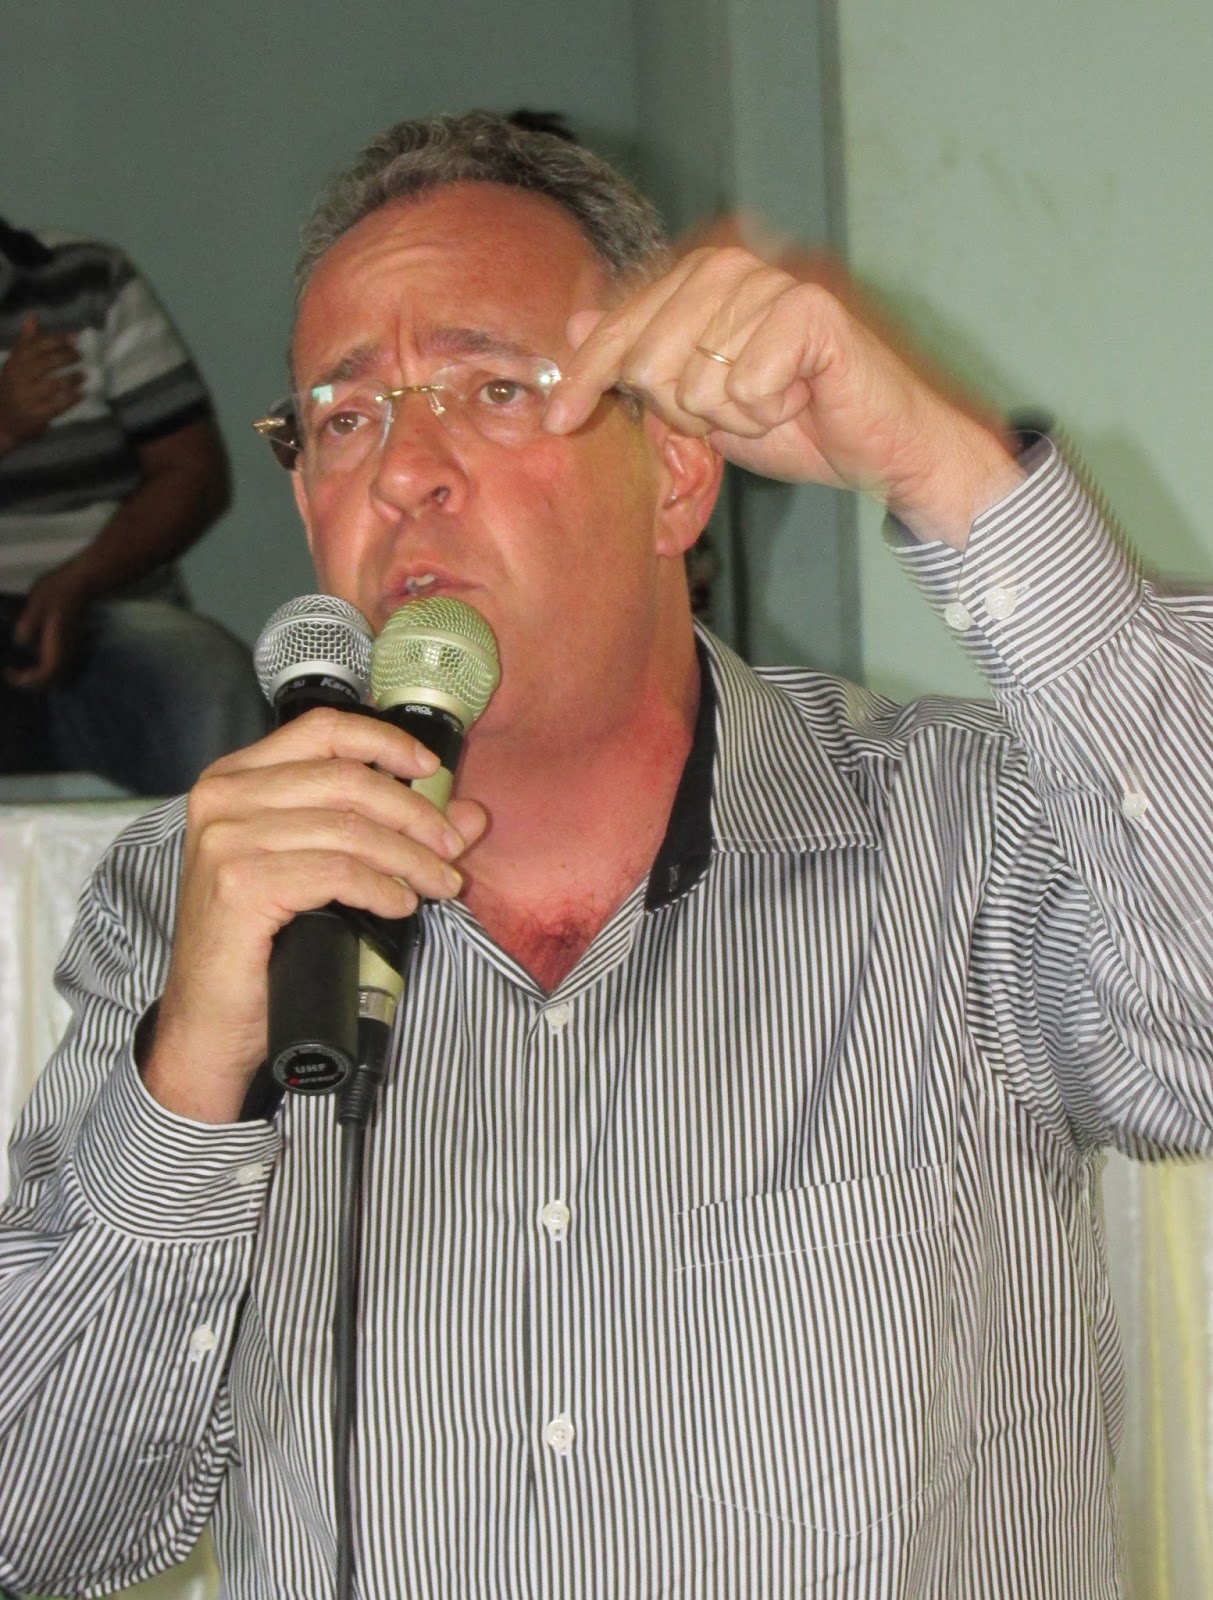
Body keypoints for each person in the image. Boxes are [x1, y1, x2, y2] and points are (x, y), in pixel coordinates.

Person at [0, 111, 1210, 1599]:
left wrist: (947, 467)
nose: (405, 469)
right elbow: (39, 1521)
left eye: (493, 387)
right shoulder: (186, 916)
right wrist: (193, 1074)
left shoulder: (953, 834)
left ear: (679, 475)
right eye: (344, 415)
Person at [0, 218, 267, 794]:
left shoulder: (88, 280)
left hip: (108, 610)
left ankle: (239, 851)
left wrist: (79, 581)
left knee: (211, 681)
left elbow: (194, 477)